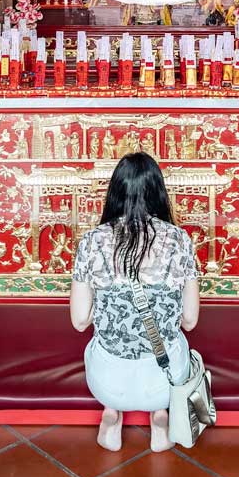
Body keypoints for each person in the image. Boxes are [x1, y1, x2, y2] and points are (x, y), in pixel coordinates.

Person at [70, 152, 200, 453]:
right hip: (164, 381)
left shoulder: (92, 241)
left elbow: (79, 322)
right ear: (159, 192)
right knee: (172, 339)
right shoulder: (179, 239)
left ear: (114, 192)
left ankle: (112, 413)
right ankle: (160, 415)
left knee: (97, 342)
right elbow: (190, 320)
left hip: (109, 381)